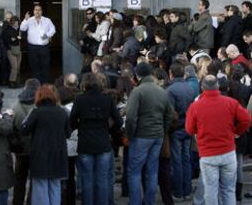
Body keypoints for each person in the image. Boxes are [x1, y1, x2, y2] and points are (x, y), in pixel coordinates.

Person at [186, 75, 251, 205]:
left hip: (208, 154)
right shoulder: (230, 102)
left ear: (202, 87)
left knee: (210, 190)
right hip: (228, 152)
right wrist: (236, 132)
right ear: (217, 86)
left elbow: (189, 129)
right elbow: (247, 119)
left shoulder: (195, 106)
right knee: (228, 190)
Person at [70, 73, 123, 205]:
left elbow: (71, 121)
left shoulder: (79, 99)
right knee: (102, 179)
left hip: (85, 142)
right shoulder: (107, 99)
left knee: (87, 179)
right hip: (103, 141)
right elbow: (118, 120)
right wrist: (109, 129)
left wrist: (81, 126)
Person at [125, 62, 174, 205]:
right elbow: (169, 114)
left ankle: (135, 202)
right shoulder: (161, 91)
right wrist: (162, 130)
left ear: (137, 75)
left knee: (134, 172)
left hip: (141, 136)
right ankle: (149, 202)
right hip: (157, 136)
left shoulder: (138, 91)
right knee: (152, 172)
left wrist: (130, 135)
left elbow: (130, 117)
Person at [22, 85, 71, 205]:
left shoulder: (37, 112)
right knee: (55, 186)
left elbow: (24, 130)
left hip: (40, 155)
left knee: (40, 187)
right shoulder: (62, 112)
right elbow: (68, 133)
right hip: (58, 154)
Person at [166, 63, 194, 201]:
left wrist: (168, 129)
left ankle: (178, 192)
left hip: (176, 129)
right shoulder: (189, 88)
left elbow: (171, 114)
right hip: (187, 128)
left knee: (177, 161)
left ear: (171, 73)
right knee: (186, 159)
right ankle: (187, 190)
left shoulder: (170, 90)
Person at [12, 78, 41, 205]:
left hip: (20, 149)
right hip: (36, 149)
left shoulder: (15, 105)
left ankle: (17, 202)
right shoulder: (39, 106)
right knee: (35, 180)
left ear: (25, 87)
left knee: (19, 180)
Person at [20, 5, 56, 84]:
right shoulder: (29, 20)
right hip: (32, 48)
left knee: (45, 66)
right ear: (33, 11)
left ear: (41, 11)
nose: (37, 11)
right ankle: (36, 84)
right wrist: (25, 19)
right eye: (36, 10)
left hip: (44, 47)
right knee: (34, 66)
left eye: (39, 10)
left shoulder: (47, 20)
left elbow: (53, 30)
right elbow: (22, 28)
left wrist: (46, 35)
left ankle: (45, 83)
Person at [2, 16, 22, 88]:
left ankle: (17, 81)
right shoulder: (7, 30)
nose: (16, 24)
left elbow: (21, 38)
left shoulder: (19, 29)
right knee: (14, 66)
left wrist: (15, 39)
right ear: (12, 22)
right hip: (10, 49)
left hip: (18, 49)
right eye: (15, 22)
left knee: (18, 66)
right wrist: (14, 39)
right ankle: (11, 82)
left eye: (17, 22)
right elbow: (6, 40)